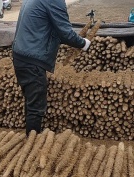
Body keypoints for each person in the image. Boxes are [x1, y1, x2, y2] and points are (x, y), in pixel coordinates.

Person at [12, 0, 91, 136]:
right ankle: (32, 144)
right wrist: (83, 43)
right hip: (32, 59)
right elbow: (64, 32)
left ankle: (30, 137)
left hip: (20, 55)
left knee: (31, 102)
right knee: (36, 107)